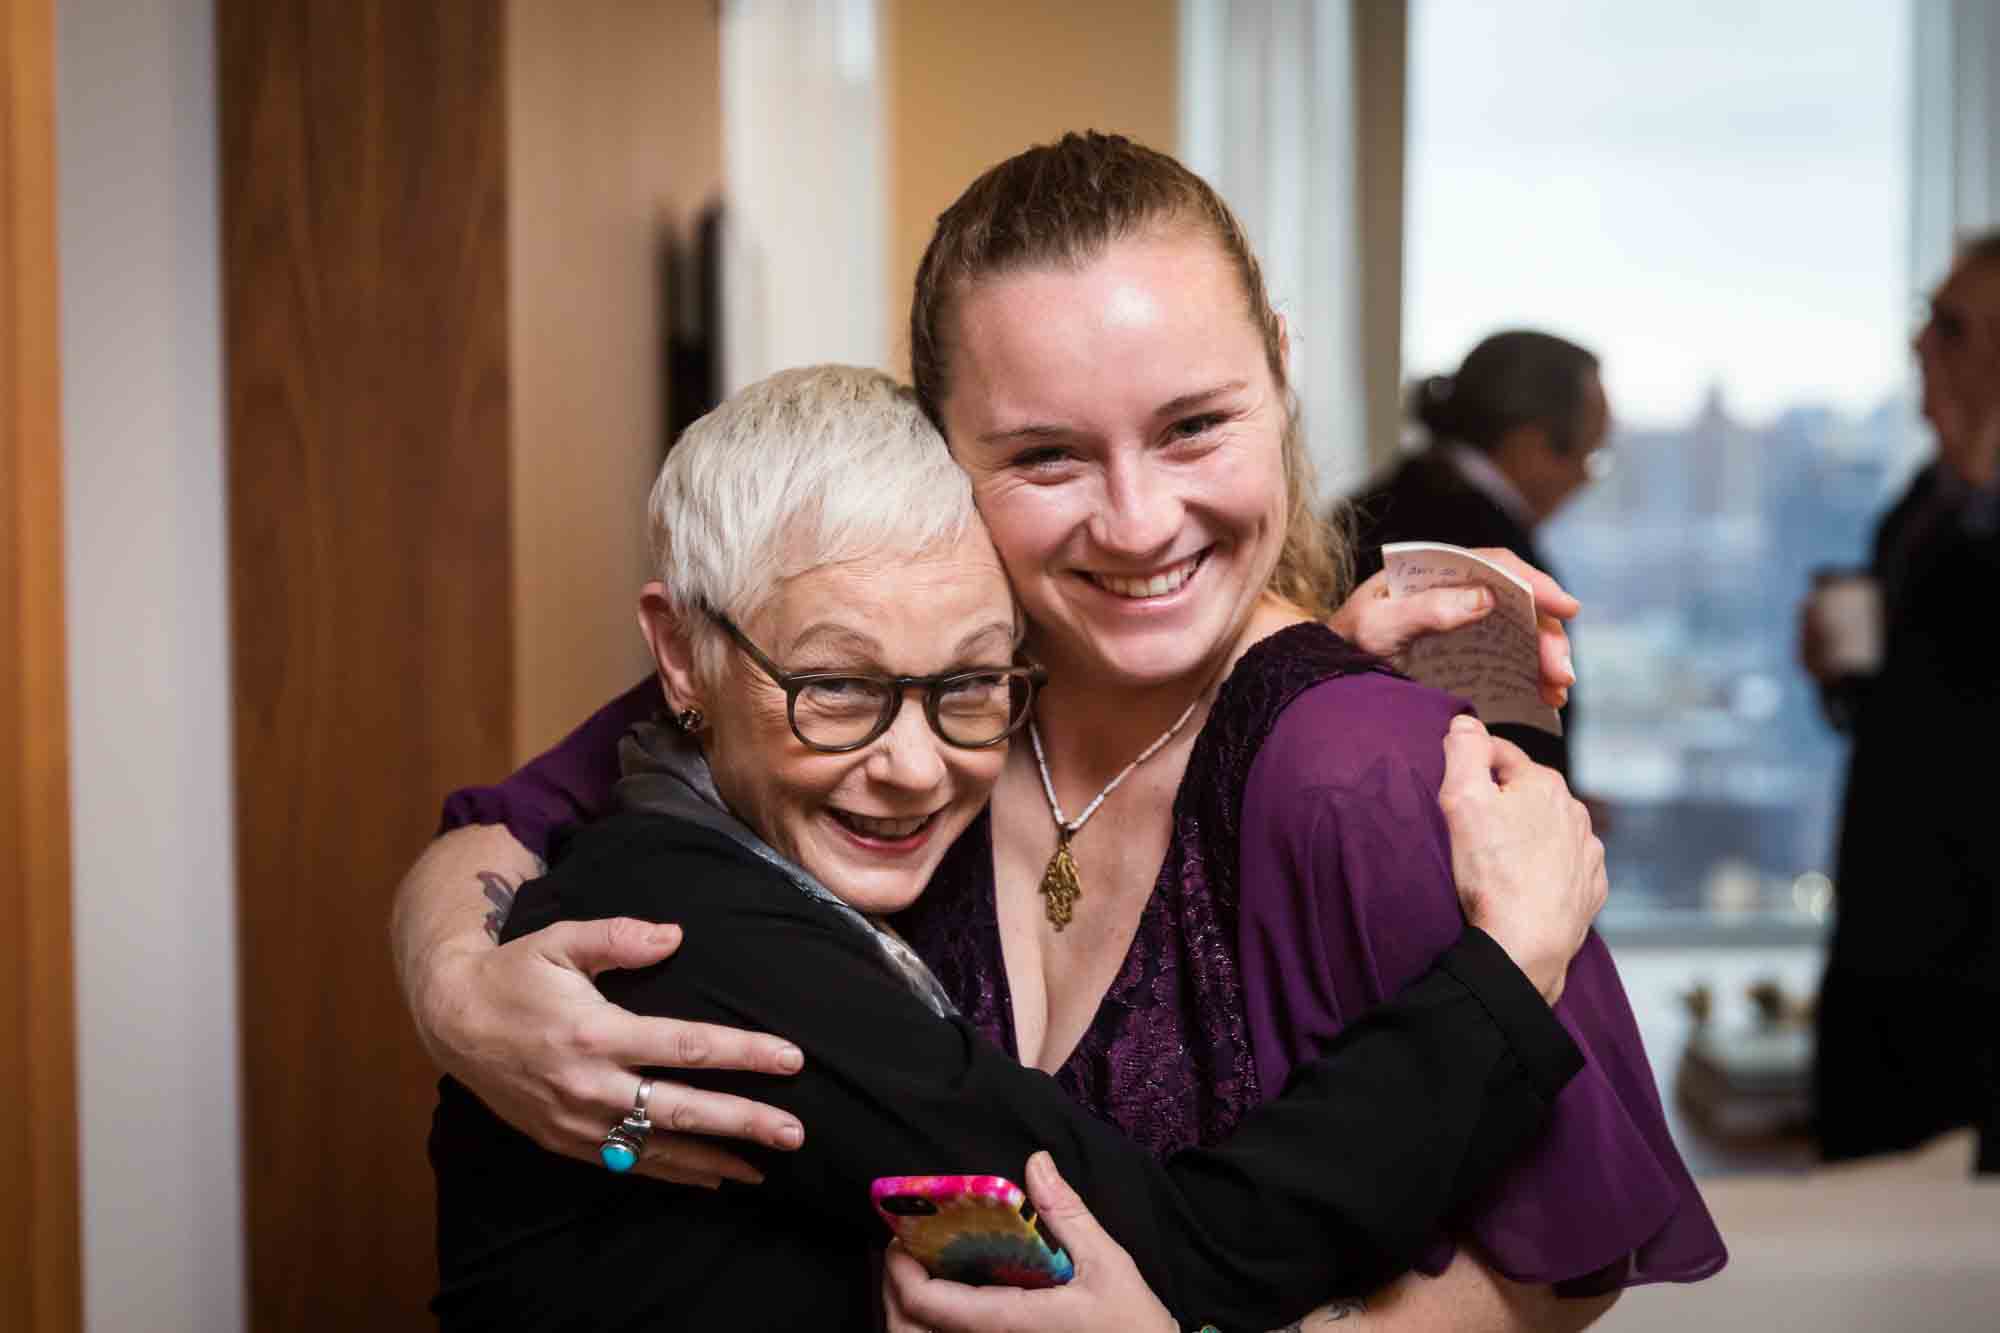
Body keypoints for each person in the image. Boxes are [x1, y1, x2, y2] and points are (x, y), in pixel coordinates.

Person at [398, 133, 1722, 1327]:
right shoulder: (814, 710)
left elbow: (1555, 1262)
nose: (1139, 523)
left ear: (1280, 371)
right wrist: (456, 989)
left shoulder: (1363, 774)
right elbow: (509, 823)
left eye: (1195, 425)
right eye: (1044, 457)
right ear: (945, 459)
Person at [1802, 229, 2000, 1173]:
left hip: (1980, 965)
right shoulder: (1924, 494)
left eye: (1951, 326)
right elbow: (1922, 698)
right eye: (1928, 320)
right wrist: (1841, 672)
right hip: (1887, 932)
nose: (1922, 345)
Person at [1347, 331, 1610, 777]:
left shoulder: (1373, 503)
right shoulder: (1493, 561)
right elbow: (1509, 765)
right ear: (1530, 447)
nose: (1586, 480)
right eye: (1590, 455)